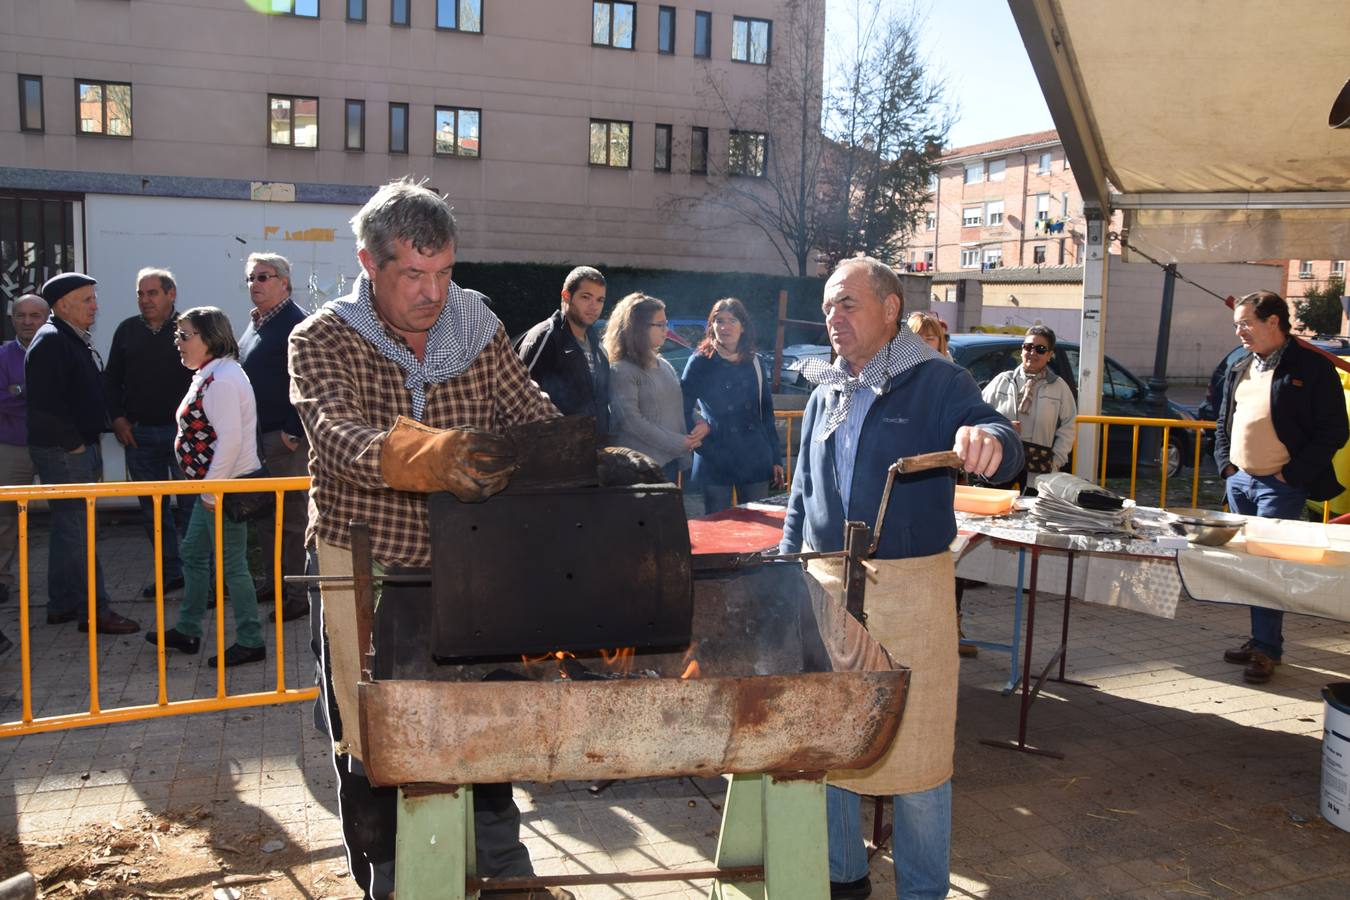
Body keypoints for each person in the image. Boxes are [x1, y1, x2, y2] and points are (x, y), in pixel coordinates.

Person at [288, 178, 572, 900]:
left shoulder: (476, 323)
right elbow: (337, 434)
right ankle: (393, 882)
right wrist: (429, 455)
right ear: (369, 263)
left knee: (486, 724)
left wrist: (578, 453)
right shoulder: (320, 337)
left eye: (444, 272)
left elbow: (527, 409)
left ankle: (506, 875)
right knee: (374, 744)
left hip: (467, 568)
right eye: (413, 274)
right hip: (366, 571)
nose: (433, 292)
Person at [780, 257, 1021, 900]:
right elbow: (803, 490)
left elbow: (999, 435)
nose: (834, 317)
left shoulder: (936, 380)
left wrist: (988, 440)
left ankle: (921, 891)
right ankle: (842, 878)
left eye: (848, 304)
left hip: (912, 594)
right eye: (829, 305)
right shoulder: (826, 387)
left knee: (919, 752)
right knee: (832, 742)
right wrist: (785, 563)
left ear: (890, 309)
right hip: (827, 584)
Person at [1215, 291, 1348, 684]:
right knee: (1250, 566)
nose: (1239, 331)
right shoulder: (1240, 365)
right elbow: (1223, 421)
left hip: (1279, 487)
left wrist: (1293, 474)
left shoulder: (1311, 366)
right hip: (1240, 482)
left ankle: (1267, 650)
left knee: (1271, 567)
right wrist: (1226, 466)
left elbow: (1334, 430)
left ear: (1273, 322)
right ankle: (1260, 639)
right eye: (1237, 324)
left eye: (1245, 323)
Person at [145, 306, 266, 667]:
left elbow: (229, 441)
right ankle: (187, 629)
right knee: (195, 555)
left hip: (223, 489)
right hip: (213, 488)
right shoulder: (213, 374)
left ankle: (250, 640)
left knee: (232, 566)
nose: (178, 343)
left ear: (209, 337)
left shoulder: (224, 378)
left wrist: (212, 492)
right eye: (177, 335)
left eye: (185, 335)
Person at [26, 273, 140, 635]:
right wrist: (74, 443)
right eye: (87, 299)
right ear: (62, 305)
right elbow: (44, 404)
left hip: (74, 447)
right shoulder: (51, 341)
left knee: (66, 526)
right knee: (79, 530)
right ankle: (96, 610)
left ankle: (62, 604)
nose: (96, 306)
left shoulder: (67, 338)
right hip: (65, 451)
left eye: (94, 298)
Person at [105, 267, 195, 598]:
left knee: (192, 509)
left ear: (171, 294)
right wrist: (117, 418)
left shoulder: (190, 328)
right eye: (141, 294)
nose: (145, 300)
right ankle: (171, 574)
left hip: (183, 435)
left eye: (152, 293)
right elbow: (111, 379)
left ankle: (199, 577)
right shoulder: (127, 330)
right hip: (139, 435)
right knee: (153, 513)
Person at [238, 252, 310, 623]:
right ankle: (274, 582)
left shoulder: (297, 323)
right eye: (250, 278)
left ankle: (297, 595)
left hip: (284, 441)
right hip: (258, 439)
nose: (255, 284)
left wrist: (292, 432)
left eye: (263, 277)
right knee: (265, 516)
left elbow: (309, 382)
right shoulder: (256, 324)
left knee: (293, 518)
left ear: (284, 281)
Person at [680, 297, 783, 512]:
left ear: (743, 326)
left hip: (754, 454)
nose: (725, 327)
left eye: (732, 320)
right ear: (711, 326)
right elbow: (683, 406)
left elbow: (766, 413)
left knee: (757, 526)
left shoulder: (755, 361)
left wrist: (776, 458)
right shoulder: (700, 361)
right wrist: (698, 427)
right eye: (719, 321)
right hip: (716, 455)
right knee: (719, 527)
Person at [604, 292, 707, 482]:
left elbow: (678, 403)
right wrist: (679, 442)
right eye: (660, 325)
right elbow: (631, 422)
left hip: (669, 463)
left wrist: (699, 422)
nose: (666, 330)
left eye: (665, 324)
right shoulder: (620, 370)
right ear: (638, 328)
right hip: (639, 470)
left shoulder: (664, 364)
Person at [0, 294, 49, 652]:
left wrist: (19, 392)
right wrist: (27, 394)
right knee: (4, 519)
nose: (28, 321)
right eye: (21, 316)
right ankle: (3, 579)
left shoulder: (54, 348)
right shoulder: (3, 355)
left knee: (69, 516)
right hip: (12, 447)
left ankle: (67, 587)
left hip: (52, 446)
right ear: (12, 319)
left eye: (35, 315)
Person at [513, 266, 611, 439]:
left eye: (600, 300)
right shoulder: (544, 337)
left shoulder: (600, 349)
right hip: (553, 452)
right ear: (566, 296)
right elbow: (518, 397)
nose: (593, 306)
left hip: (593, 450)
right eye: (586, 297)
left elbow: (603, 403)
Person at [981, 324, 1077, 479]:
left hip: (1039, 469)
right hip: (1000, 463)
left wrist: (1055, 460)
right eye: (1028, 347)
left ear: (1049, 355)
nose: (1032, 353)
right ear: (1022, 350)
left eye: (1040, 349)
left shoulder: (1059, 387)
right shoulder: (1002, 380)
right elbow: (980, 414)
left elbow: (1068, 426)